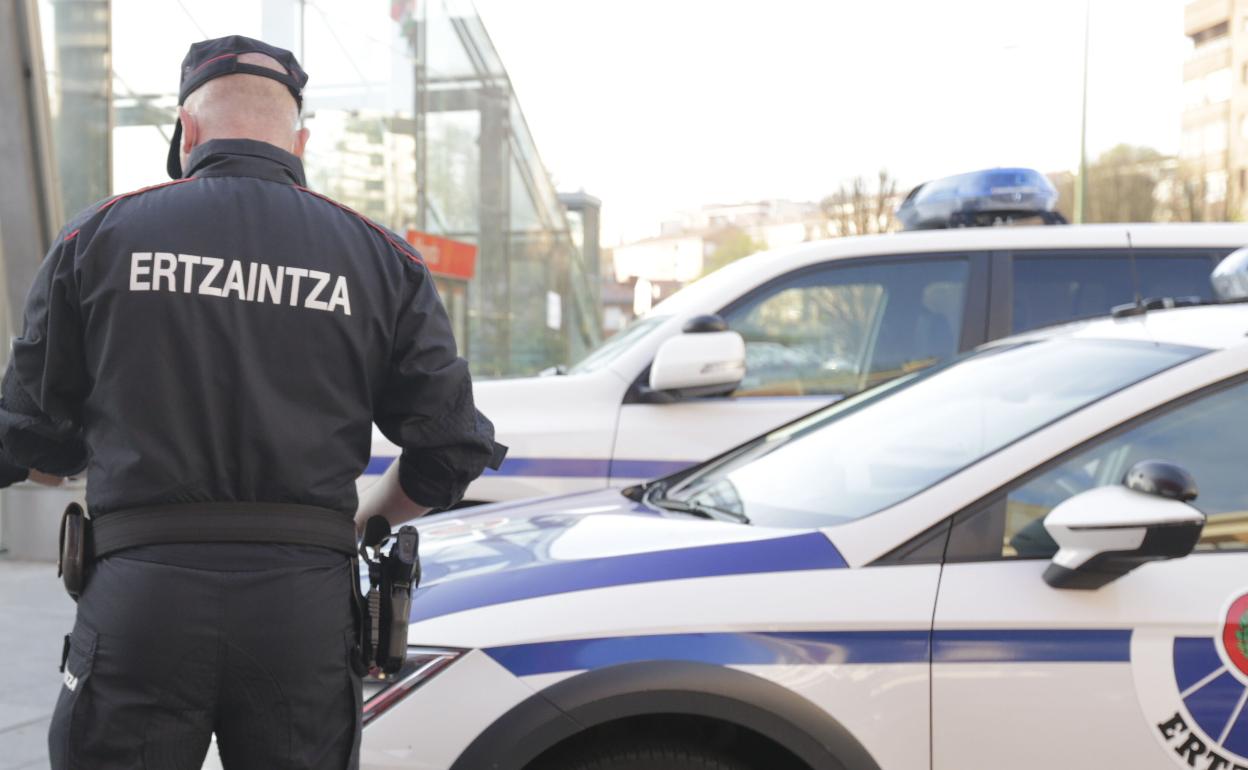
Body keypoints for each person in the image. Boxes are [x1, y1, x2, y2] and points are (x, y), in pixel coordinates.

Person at [0, 35, 502, 769]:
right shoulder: (379, 258)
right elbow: (450, 450)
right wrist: (361, 521)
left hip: (141, 599)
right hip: (303, 609)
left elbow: (29, 437)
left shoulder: (96, 238)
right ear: (299, 140)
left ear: (188, 131)